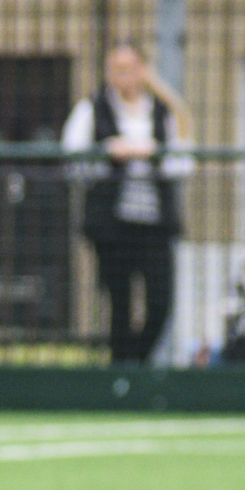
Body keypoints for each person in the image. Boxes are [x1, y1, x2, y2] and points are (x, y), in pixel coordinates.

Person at [62, 42, 193, 365]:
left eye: (128, 69)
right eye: (115, 70)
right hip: (112, 225)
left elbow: (185, 162)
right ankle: (120, 368)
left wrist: (154, 154)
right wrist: (107, 154)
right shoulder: (91, 109)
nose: (121, 77)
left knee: (160, 302)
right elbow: (72, 160)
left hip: (155, 223)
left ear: (143, 71)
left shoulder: (164, 111)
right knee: (119, 301)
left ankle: (137, 359)